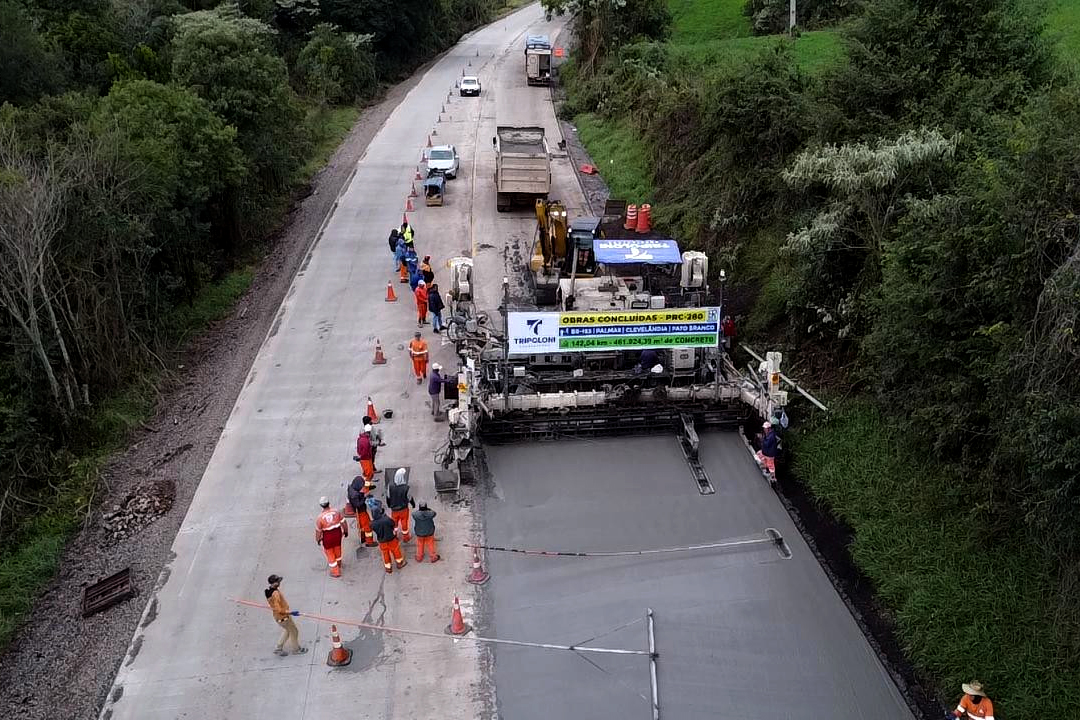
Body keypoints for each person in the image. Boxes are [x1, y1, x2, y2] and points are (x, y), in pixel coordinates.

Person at [265, 574, 306, 656]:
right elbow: (279, 610)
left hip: (278, 617)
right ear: (274, 583)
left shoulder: (269, 591)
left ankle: (278, 648)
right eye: (278, 581)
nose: (279, 583)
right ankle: (296, 649)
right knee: (294, 631)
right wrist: (291, 613)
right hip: (283, 618)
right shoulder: (275, 594)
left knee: (288, 630)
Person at [315, 497, 348, 577]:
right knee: (338, 549)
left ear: (321, 505)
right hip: (337, 534)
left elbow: (318, 531)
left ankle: (336, 571)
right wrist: (346, 531)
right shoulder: (336, 512)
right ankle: (339, 564)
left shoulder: (320, 518)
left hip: (327, 537)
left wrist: (318, 539)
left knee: (330, 553)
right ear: (328, 503)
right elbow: (343, 522)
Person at [371, 506, 407, 573]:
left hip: (382, 541)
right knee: (396, 551)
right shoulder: (386, 519)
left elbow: (374, 529)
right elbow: (393, 523)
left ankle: (388, 568)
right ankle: (399, 563)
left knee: (385, 553)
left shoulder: (373, 523)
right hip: (391, 539)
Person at [347, 475, 376, 546]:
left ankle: (363, 538)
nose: (362, 489)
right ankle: (369, 542)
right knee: (367, 526)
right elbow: (358, 505)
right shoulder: (354, 495)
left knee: (362, 525)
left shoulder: (352, 488)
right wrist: (364, 497)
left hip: (360, 511)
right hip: (361, 512)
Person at [387, 468, 415, 542]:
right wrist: (413, 504)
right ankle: (406, 537)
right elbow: (410, 498)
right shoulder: (406, 488)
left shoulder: (390, 487)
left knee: (394, 524)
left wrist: (389, 505)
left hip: (394, 510)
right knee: (404, 523)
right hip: (404, 509)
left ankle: (394, 536)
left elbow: (388, 497)